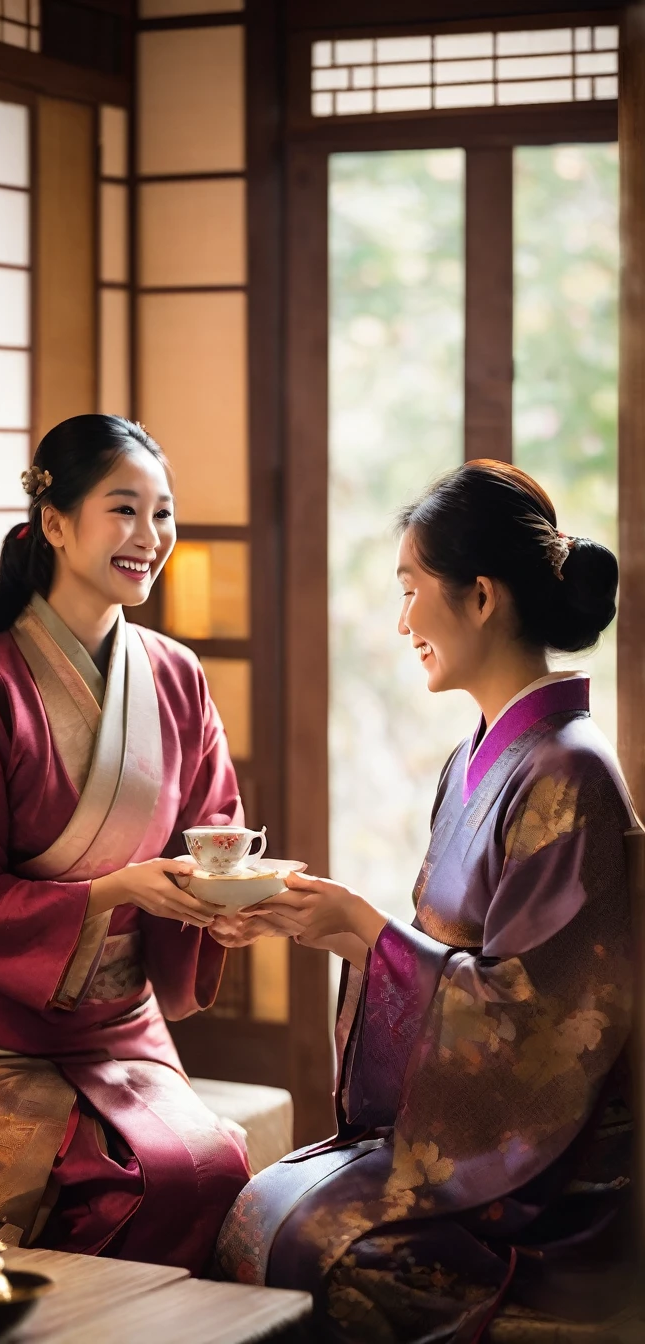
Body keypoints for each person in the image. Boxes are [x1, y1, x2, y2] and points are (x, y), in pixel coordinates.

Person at [217, 461, 634, 1340]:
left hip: (549, 1179)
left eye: (412, 589)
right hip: (481, 1129)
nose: (403, 620)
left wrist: (372, 935)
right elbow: (457, 967)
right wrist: (345, 933)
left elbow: (542, 1025)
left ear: (480, 597)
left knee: (308, 1242)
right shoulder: (478, 758)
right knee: (259, 1203)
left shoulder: (570, 772)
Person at [0, 415, 255, 1270]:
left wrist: (222, 904)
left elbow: (215, 827)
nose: (149, 538)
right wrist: (115, 893)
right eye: (124, 509)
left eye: (163, 514)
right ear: (53, 523)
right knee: (116, 1180)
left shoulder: (176, 675)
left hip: (121, 1029)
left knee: (214, 1168)